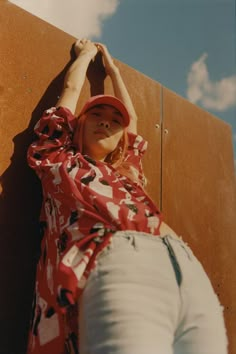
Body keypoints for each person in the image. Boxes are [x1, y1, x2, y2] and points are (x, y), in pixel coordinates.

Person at [27, 39, 228, 354]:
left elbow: (131, 119)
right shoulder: (59, 160)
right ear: (76, 126)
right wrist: (87, 55)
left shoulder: (128, 170)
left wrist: (114, 71)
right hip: (119, 263)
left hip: (184, 265)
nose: (107, 121)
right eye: (96, 115)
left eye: (114, 120)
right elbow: (69, 92)